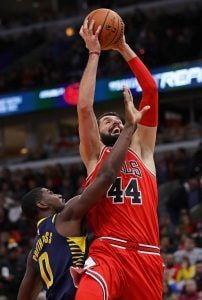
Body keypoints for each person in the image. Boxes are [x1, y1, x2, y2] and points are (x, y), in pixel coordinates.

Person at [17, 86, 149, 300]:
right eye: (50, 193)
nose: (58, 195)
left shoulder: (34, 253)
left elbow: (24, 296)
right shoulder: (65, 215)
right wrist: (129, 127)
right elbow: (106, 178)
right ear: (42, 204)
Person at [76, 18, 163, 300]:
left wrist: (123, 46)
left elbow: (150, 90)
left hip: (148, 255)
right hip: (108, 251)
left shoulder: (143, 151)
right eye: (107, 122)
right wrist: (94, 53)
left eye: (117, 120)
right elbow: (85, 108)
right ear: (99, 134)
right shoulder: (94, 154)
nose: (114, 123)